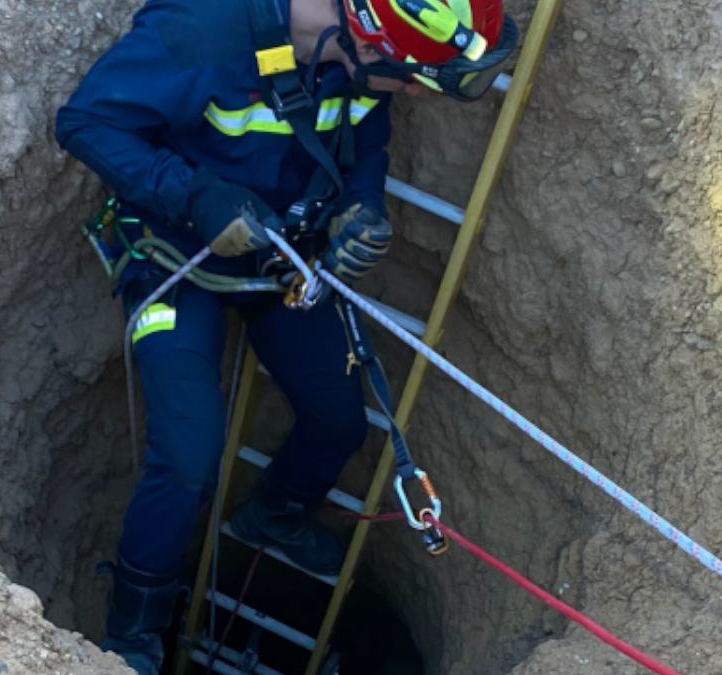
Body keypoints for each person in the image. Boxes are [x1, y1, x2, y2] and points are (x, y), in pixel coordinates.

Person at [55, 0, 516, 672]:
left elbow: (366, 129)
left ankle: (273, 514)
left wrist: (361, 203)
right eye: (412, 75)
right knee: (189, 452)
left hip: (279, 258)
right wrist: (194, 196)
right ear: (362, 39)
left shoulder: (357, 61)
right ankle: (133, 631)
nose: (414, 90)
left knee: (336, 419)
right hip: (173, 255)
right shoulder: (203, 28)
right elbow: (86, 120)